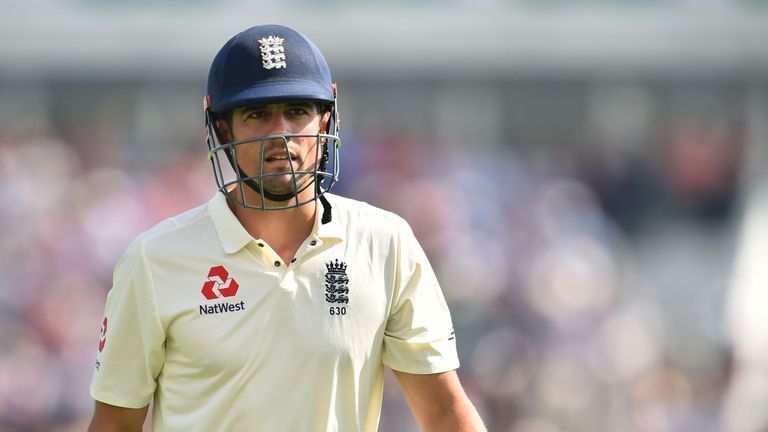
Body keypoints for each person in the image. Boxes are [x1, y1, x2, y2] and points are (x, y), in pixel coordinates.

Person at [88, 24, 485, 432]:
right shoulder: (155, 260)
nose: (281, 134)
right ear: (223, 129)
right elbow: (116, 421)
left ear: (325, 119)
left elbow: (443, 411)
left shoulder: (385, 243)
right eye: (257, 114)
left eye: (297, 111)